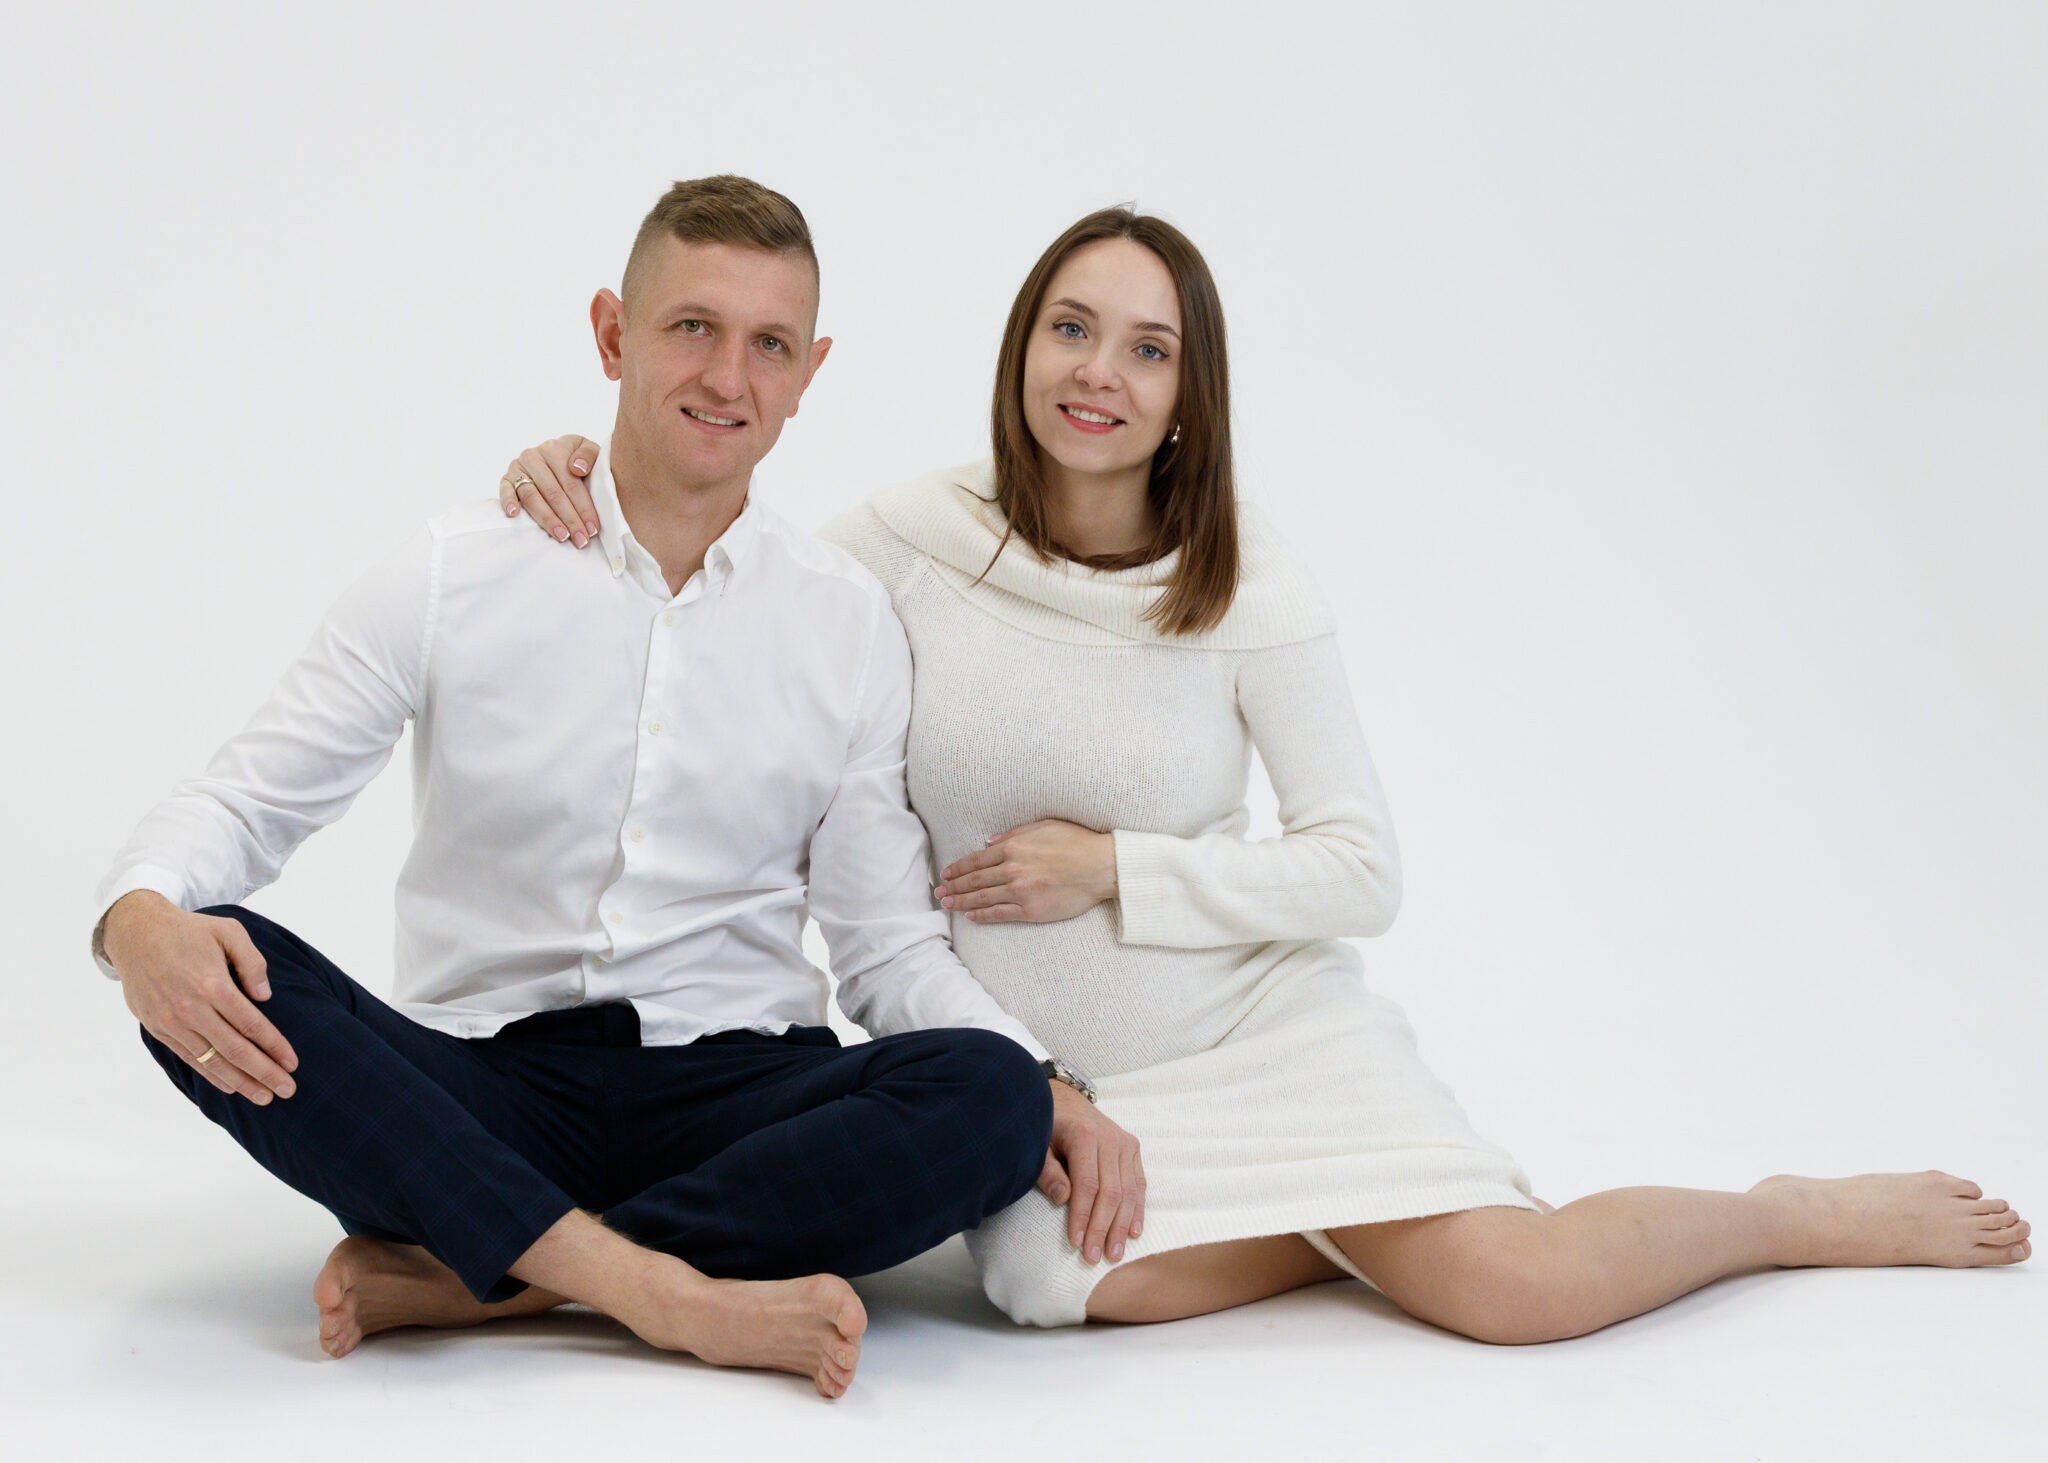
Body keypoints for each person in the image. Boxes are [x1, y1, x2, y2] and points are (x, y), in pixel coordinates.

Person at [499, 204, 2031, 1338]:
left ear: (1190, 391)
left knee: (1515, 1290)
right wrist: (576, 466)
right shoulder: (909, 540)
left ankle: (1781, 1213)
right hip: (1063, 1083)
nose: (1099, 373)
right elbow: (729, 558)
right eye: (1071, 329)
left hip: (1263, 1032)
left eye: (1148, 349)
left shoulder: (1246, 584)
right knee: (1046, 1282)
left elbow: (1362, 868)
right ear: (1022, 346)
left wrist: (1117, 868)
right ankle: (1351, 1230)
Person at [91, 176, 1140, 1397]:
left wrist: (1044, 1080)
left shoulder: (844, 621)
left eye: (770, 344)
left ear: (809, 373)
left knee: (989, 1095)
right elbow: (244, 803)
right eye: (692, 326)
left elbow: (882, 945)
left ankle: (502, 1276)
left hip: (737, 1093)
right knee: (211, 962)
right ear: (612, 334)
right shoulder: (453, 571)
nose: (727, 377)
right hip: (482, 1089)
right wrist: (137, 916)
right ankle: (668, 1292)